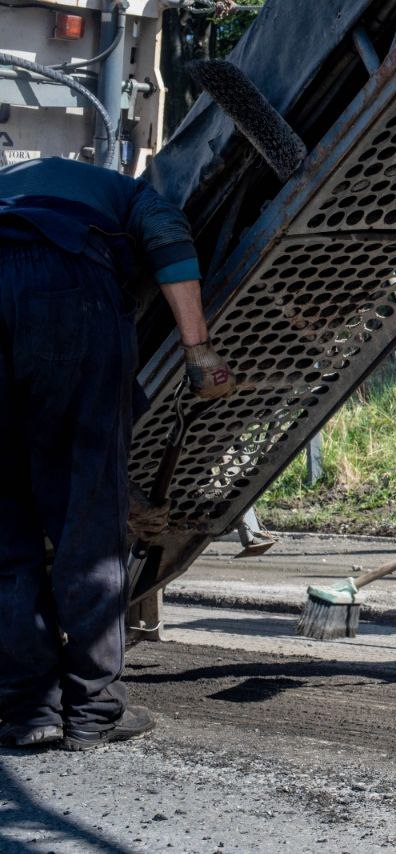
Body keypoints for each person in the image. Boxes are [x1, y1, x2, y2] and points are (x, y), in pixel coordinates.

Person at [0, 156, 234, 750]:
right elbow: (169, 236)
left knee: (5, 533)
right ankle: (93, 710)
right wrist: (198, 350)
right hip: (70, 296)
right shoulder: (125, 192)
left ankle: (30, 711)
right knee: (88, 517)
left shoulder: (8, 191)